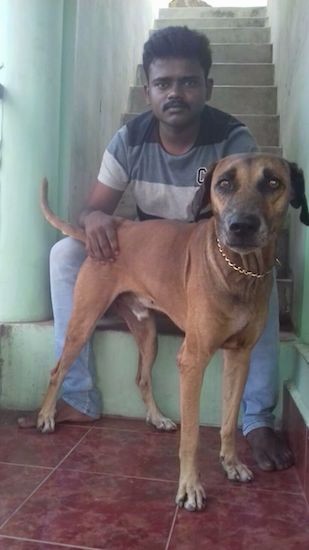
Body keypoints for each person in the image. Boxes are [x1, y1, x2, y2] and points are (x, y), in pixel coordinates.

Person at [19, 26, 293, 472]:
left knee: (260, 272)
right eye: (163, 83)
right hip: (152, 254)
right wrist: (97, 220)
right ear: (147, 90)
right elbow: (93, 209)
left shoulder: (234, 140)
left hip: (210, 250)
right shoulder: (130, 138)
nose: (176, 93)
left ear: (208, 86)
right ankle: (77, 395)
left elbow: (246, 209)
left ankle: (256, 418)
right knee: (65, 255)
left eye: (188, 81)